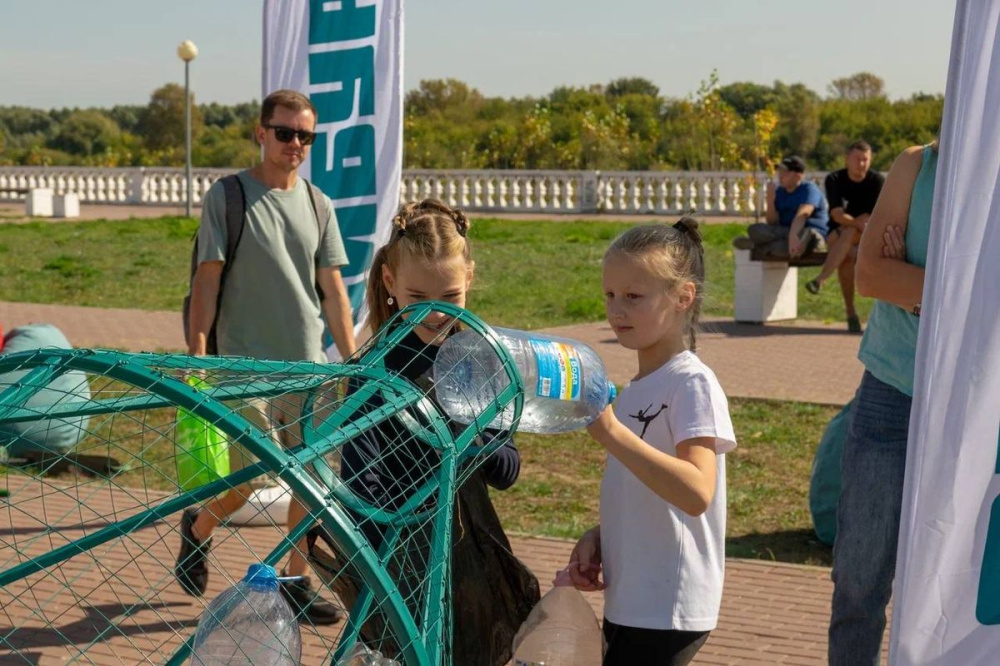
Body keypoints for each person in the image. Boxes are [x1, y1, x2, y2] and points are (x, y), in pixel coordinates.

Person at [175, 89, 357, 625]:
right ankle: (198, 526)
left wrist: (354, 360)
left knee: (312, 480)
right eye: (285, 132)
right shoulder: (228, 196)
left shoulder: (320, 204)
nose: (295, 144)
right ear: (261, 132)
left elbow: (335, 293)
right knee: (249, 479)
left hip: (310, 369)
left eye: (305, 136)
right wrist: (199, 354)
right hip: (243, 368)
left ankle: (296, 582)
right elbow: (206, 279)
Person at [339, 199, 538, 666]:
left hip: (471, 558)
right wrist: (392, 568)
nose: (436, 314)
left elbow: (507, 468)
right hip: (400, 565)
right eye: (419, 299)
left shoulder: (482, 359)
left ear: (469, 278)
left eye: (451, 298)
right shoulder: (374, 370)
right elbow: (362, 488)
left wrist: (465, 435)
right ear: (390, 283)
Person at [568, 220, 737, 666]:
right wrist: (603, 536)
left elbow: (697, 491)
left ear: (683, 297)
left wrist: (611, 433)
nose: (616, 309)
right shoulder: (639, 387)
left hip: (668, 605)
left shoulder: (691, 383)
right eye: (609, 295)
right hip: (633, 597)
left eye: (633, 296)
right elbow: (647, 486)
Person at [828, 141, 938, 665]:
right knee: (859, 579)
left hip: (980, 412)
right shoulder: (919, 165)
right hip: (892, 396)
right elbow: (870, 275)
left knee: (956, 580)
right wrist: (956, 295)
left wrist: (914, 287)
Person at [805, 141, 886, 334]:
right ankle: (850, 311)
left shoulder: (877, 181)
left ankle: (829, 288)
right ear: (847, 159)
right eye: (858, 159)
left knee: (847, 251)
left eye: (865, 159)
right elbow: (836, 215)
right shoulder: (834, 179)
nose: (862, 164)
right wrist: (856, 222)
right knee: (848, 244)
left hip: (865, 236)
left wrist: (855, 223)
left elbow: (874, 216)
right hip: (836, 234)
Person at [733, 155, 830, 259]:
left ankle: (757, 246)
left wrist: (794, 236)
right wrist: (770, 199)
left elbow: (803, 215)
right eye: (779, 171)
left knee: (795, 241)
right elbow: (772, 222)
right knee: (754, 230)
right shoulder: (779, 192)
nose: (780, 175)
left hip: (809, 232)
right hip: (787, 235)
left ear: (798, 175)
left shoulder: (809, 189)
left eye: (785, 172)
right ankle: (763, 245)